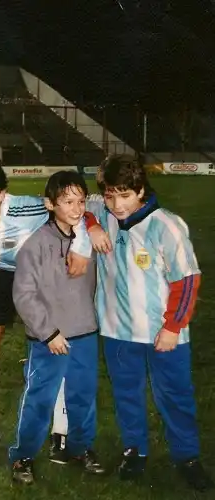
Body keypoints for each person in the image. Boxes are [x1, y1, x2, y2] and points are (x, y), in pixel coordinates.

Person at [0, 160, 105, 457]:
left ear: (2, 194)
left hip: (42, 272)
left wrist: (90, 227)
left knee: (60, 344)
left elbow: (76, 206)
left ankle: (61, 430)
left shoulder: (28, 208)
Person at [87, 155, 211, 492]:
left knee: (175, 396)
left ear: (141, 189)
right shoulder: (103, 212)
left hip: (163, 333)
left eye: (124, 195)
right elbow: (78, 203)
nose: (116, 204)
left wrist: (173, 327)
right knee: (127, 395)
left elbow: (186, 281)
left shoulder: (166, 225)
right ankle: (135, 451)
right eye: (110, 195)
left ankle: (187, 457)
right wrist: (92, 224)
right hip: (117, 331)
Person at [9, 171, 105, 484]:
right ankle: (22, 456)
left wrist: (91, 223)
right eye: (67, 202)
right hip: (48, 338)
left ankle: (80, 448)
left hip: (84, 332)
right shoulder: (36, 245)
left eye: (80, 201)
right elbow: (24, 294)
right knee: (40, 398)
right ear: (50, 203)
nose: (76, 209)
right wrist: (48, 332)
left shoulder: (87, 238)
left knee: (83, 396)